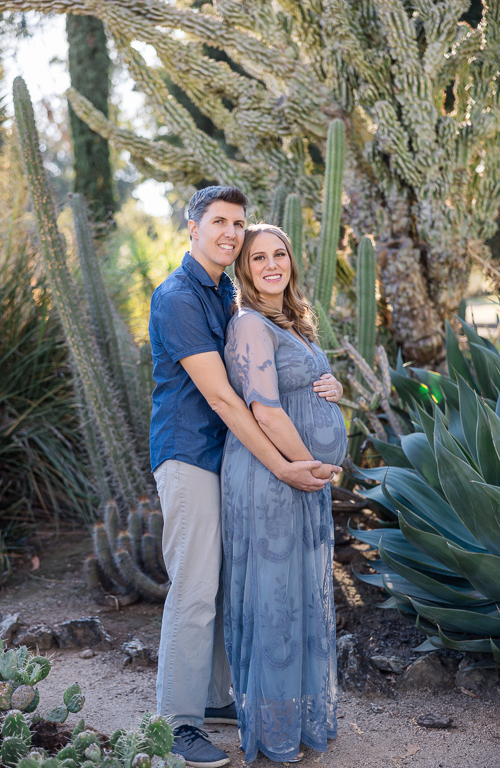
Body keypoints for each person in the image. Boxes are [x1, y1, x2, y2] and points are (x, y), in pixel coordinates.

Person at [149, 187, 343, 768]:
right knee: (193, 589)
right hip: (189, 455)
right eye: (219, 223)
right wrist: (284, 465)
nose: (231, 233)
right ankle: (176, 725)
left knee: (221, 584)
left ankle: (213, 700)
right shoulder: (179, 296)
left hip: (228, 459)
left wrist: (325, 387)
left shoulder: (225, 292)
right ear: (193, 228)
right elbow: (228, 400)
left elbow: (271, 368)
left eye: (238, 223)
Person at [221, 223, 348, 763]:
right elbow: (265, 409)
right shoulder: (249, 323)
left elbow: (302, 385)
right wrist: (309, 464)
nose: (271, 265)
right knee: (276, 599)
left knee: (296, 596)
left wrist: (332, 385)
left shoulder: (290, 321)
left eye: (280, 254)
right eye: (257, 258)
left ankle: (293, 722)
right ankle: (274, 733)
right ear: (244, 270)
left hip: (299, 473)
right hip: (272, 476)